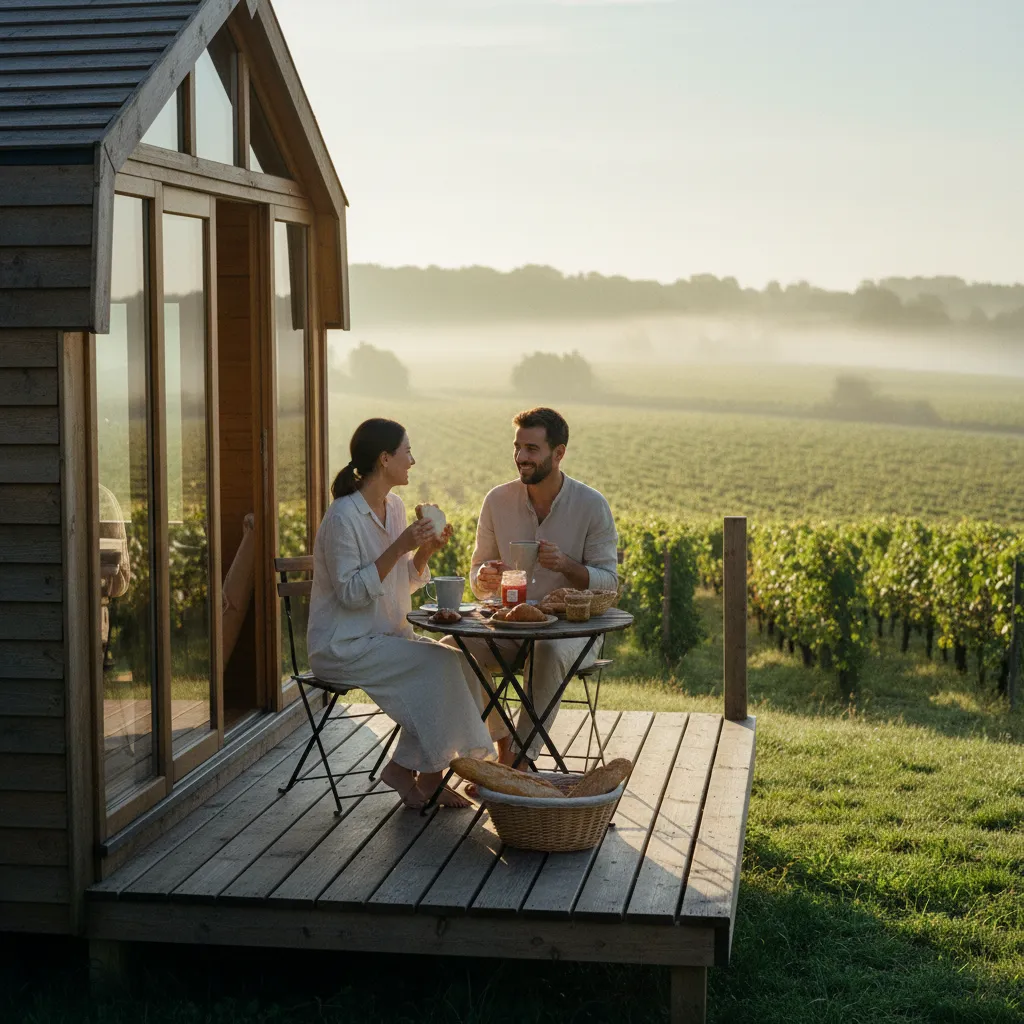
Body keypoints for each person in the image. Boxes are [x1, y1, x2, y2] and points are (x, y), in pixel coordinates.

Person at [307, 418, 494, 809]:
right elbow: (351, 594)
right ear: (385, 458)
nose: (413, 460)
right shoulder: (342, 518)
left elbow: (400, 582)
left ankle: (412, 771)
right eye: (407, 452)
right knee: (439, 666)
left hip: (385, 637)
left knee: (459, 663)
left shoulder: (393, 506)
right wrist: (400, 545)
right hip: (343, 645)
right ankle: (432, 776)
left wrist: (424, 551)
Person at [461, 407, 618, 767]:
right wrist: (484, 578)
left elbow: (609, 582)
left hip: (570, 632)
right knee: (451, 648)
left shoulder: (591, 505)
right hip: (509, 625)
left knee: (545, 650)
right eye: (517, 447)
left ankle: (518, 763)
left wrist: (567, 566)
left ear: (558, 453)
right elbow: (477, 579)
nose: (520, 457)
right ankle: (500, 746)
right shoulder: (496, 501)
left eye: (531, 449)